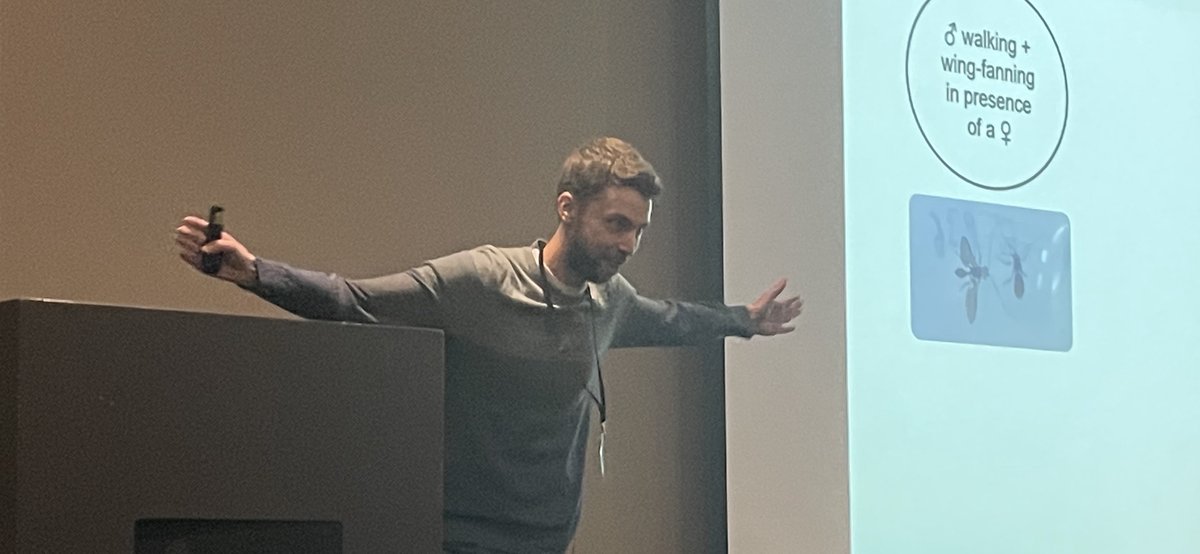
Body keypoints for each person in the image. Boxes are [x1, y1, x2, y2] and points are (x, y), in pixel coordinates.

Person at [174, 137, 802, 553]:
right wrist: (255, 273)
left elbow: (672, 319)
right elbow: (354, 300)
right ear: (567, 207)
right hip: (460, 537)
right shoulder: (480, 280)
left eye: (638, 231)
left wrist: (743, 320)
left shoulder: (609, 301)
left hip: (548, 540)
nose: (627, 244)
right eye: (617, 224)